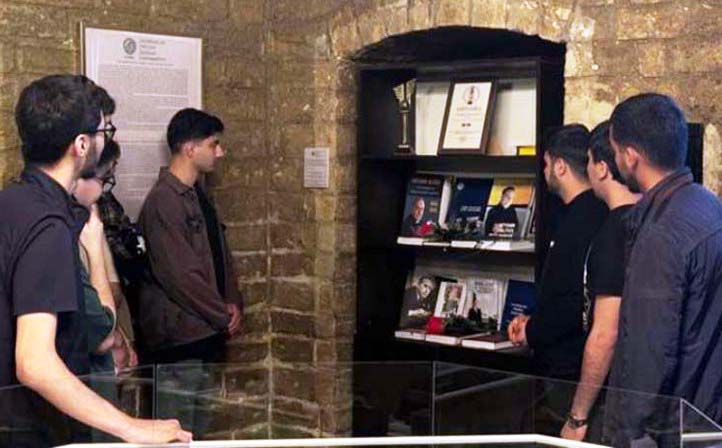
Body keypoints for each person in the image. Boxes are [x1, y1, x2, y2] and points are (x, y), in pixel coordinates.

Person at [0, 74, 190, 446]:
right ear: (82, 144)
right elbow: (34, 362)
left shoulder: (12, 202)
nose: (106, 139)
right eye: (104, 130)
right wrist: (132, 427)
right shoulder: (48, 225)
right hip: (30, 431)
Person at [604, 94, 722, 447]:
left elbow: (649, 353)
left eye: (615, 151)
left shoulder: (661, 234)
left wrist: (631, 436)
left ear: (630, 156)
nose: (614, 161)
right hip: (706, 418)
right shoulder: (709, 204)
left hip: (673, 430)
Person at [507, 124, 607, 433]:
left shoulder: (578, 221)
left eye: (547, 163)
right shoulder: (593, 212)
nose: (545, 170)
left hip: (568, 367)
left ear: (560, 166)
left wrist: (532, 330)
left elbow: (573, 301)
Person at [560, 121, 640, 443]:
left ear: (603, 168)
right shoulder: (651, 219)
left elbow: (606, 333)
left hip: (614, 396)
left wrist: (577, 416)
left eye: (590, 161)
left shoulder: (614, 234)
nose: (588, 169)